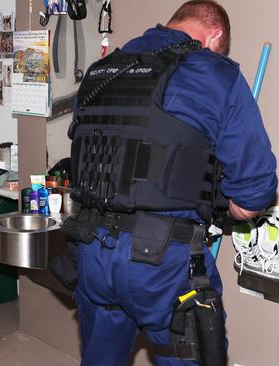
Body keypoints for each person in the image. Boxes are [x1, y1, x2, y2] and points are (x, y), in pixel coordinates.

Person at [63, 1, 277, 365]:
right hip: (162, 262)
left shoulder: (103, 70)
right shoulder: (214, 73)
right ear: (215, 36)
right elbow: (255, 191)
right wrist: (229, 206)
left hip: (90, 249)